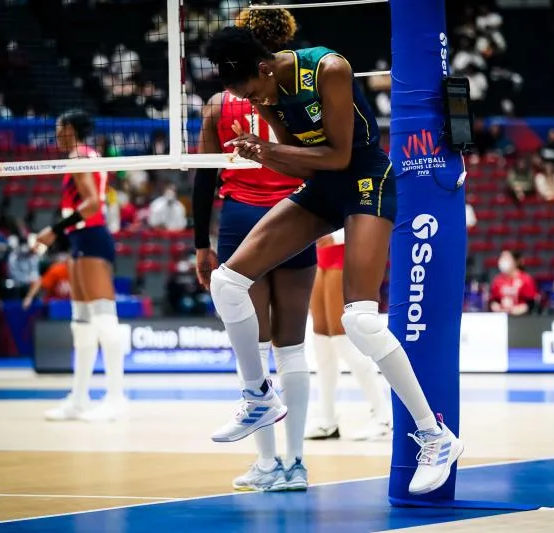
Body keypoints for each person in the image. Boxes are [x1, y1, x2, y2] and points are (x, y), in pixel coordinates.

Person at [203, 24, 464, 496]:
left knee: (360, 321)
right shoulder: (264, 93)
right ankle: (258, 397)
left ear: (263, 68)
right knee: (226, 282)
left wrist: (269, 149)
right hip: (322, 186)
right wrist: (261, 153)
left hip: (365, 179)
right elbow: (300, 161)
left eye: (250, 90)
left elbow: (341, 155)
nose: (251, 100)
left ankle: (435, 435)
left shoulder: (328, 68)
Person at [192, 6, 313, 492]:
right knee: (294, 347)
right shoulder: (294, 89)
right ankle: (297, 464)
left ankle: (265, 465)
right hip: (297, 214)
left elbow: (203, 176)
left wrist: (201, 241)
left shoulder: (220, 103)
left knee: (255, 348)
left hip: (242, 220)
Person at [33, 110, 126, 423]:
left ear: (70, 129)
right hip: (80, 240)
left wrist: (53, 230)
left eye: (59, 127)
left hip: (92, 238)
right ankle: (79, 398)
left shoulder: (80, 156)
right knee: (82, 322)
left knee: (104, 320)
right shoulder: (84, 155)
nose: (56, 133)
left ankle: (115, 399)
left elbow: (91, 205)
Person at [306, 228, 392, 441]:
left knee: (342, 340)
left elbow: (368, 217)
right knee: (322, 344)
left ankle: (383, 417)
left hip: (344, 255)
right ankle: (327, 420)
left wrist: (333, 236)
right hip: (322, 257)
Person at [489, 250, 537, 315]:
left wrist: (516, 310)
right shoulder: (497, 280)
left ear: (516, 261)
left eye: (507, 258)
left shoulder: (526, 279)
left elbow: (531, 303)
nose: (503, 261)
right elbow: (493, 300)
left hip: (522, 318)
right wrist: (497, 308)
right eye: (502, 257)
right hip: (502, 317)